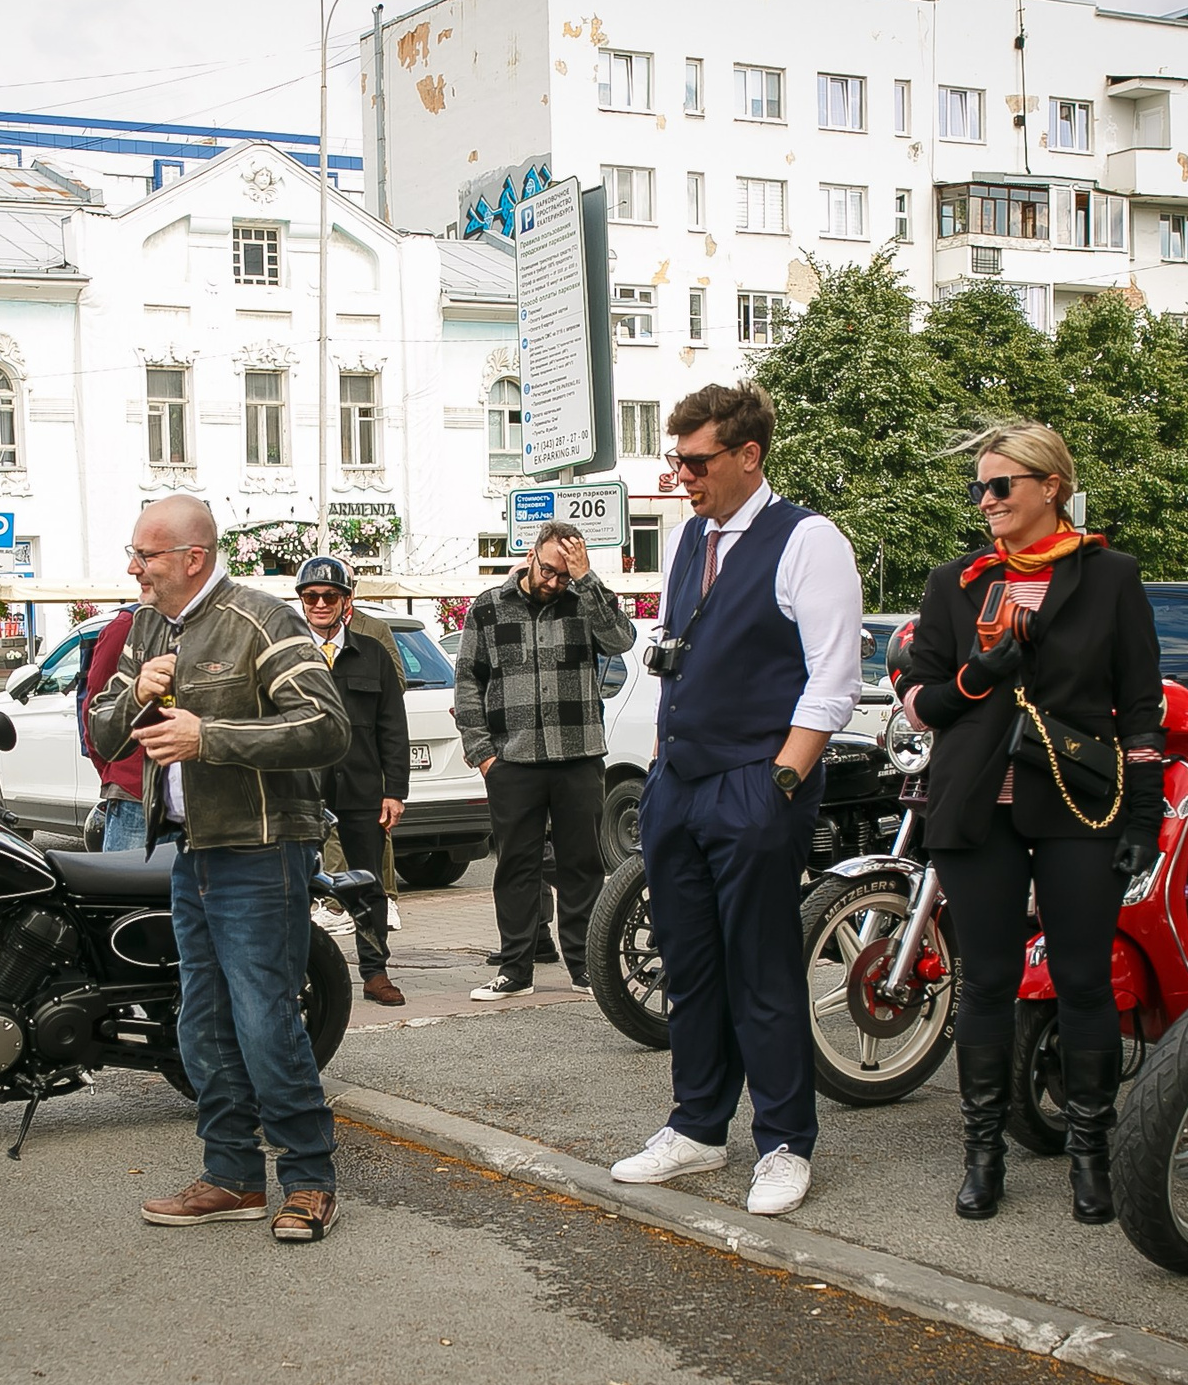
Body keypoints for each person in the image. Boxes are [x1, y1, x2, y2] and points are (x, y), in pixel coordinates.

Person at [894, 422, 1163, 1225]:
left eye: (1001, 485)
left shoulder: (1110, 575)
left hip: (1080, 801)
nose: (987, 501)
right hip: (979, 805)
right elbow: (929, 703)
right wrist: (985, 670)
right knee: (988, 981)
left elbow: (1141, 707)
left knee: (1083, 979)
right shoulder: (957, 582)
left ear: (1052, 486)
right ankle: (983, 1154)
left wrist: (1142, 817)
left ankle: (1090, 1154)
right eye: (979, 488)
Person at [608, 382, 863, 1219]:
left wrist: (780, 782)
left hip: (755, 784)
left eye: (696, 459)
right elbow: (675, 659)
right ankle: (697, 1126)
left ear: (749, 455)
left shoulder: (808, 540)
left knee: (762, 970)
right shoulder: (690, 539)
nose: (681, 473)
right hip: (680, 786)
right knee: (690, 966)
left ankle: (785, 1141)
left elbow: (833, 680)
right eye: (675, 458)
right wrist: (658, 769)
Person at [86, 495, 353, 1242]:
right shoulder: (146, 626)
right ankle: (232, 1175)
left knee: (266, 1019)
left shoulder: (263, 620)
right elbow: (106, 730)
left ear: (193, 559)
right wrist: (133, 695)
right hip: (190, 848)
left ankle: (309, 1178)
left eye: (147, 555)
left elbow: (327, 726)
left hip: (263, 849)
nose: (133, 568)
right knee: (201, 1021)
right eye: (135, 554)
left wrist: (214, 738)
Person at [451, 520, 637, 998]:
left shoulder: (584, 600)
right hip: (512, 761)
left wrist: (587, 580)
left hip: (578, 755)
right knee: (516, 866)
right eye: (549, 570)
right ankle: (516, 970)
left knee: (582, 865)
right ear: (532, 555)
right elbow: (469, 680)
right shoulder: (489, 608)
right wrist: (482, 754)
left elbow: (622, 640)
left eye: (564, 575)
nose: (555, 583)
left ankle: (586, 966)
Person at [293, 553, 410, 1007]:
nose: (319, 604)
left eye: (329, 596)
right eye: (311, 596)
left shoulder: (373, 654)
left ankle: (375, 971)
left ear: (347, 601)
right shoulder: (286, 655)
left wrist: (394, 790)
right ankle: (299, 969)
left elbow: (392, 729)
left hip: (362, 787)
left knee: (367, 883)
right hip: (301, 789)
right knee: (297, 881)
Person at [79, 603, 147, 851]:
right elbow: (95, 708)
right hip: (136, 793)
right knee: (126, 886)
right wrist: (111, 770)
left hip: (192, 797)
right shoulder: (126, 626)